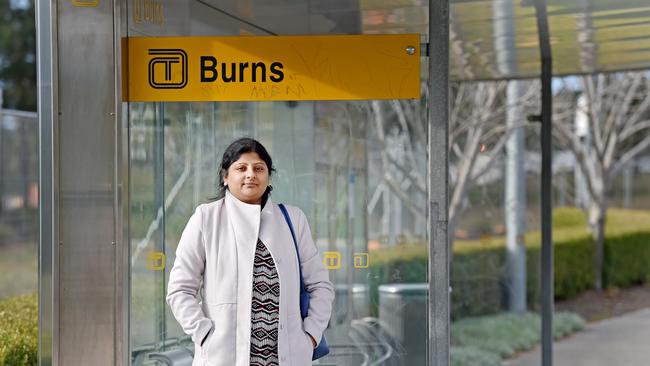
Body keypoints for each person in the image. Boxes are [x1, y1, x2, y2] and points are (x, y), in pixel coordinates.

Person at [167, 137, 335, 366]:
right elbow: (180, 290)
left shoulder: (293, 220)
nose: (250, 174)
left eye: (259, 168)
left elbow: (321, 286)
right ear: (225, 176)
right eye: (241, 168)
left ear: (268, 176)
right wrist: (205, 335)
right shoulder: (206, 218)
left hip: (287, 357)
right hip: (223, 357)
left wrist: (311, 336)